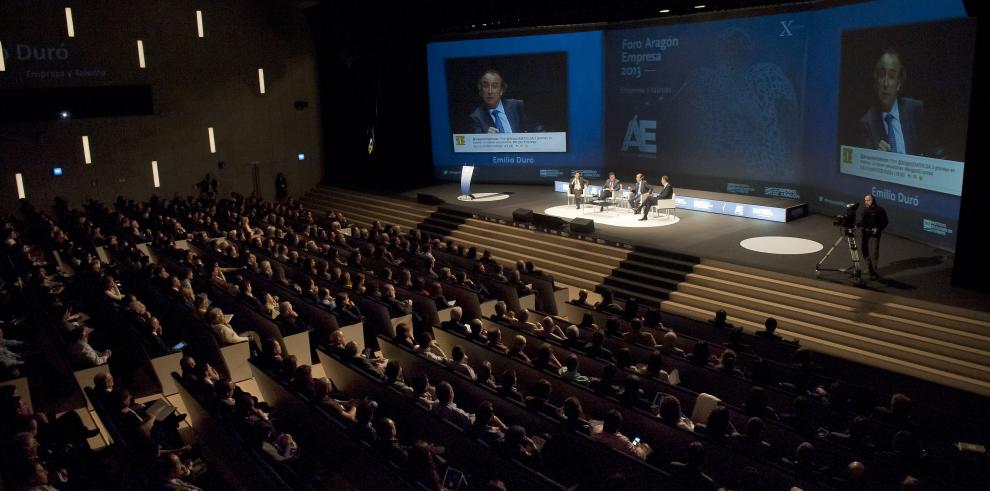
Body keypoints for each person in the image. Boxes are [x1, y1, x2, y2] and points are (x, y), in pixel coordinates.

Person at [859, 49, 930, 156]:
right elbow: (864, 166)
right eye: (882, 75)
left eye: (891, 76)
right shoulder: (867, 123)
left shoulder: (916, 109)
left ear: (899, 83)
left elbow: (934, 151)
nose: (886, 83)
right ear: (876, 81)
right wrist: (876, 157)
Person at [467, 69, 538, 134]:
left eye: (494, 86)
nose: (490, 91)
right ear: (481, 91)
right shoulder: (476, 117)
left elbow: (533, 129)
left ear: (501, 90)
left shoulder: (517, 106)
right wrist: (486, 138)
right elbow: (476, 144)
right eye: (486, 86)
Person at [857, 194, 888, 280]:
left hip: (874, 235)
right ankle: (869, 268)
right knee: (864, 251)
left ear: (873, 200)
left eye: (868, 200)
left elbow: (885, 222)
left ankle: (873, 273)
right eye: (865, 200)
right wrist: (856, 225)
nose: (866, 202)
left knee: (873, 253)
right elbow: (862, 221)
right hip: (865, 234)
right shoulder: (864, 210)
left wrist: (878, 228)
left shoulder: (880, 210)